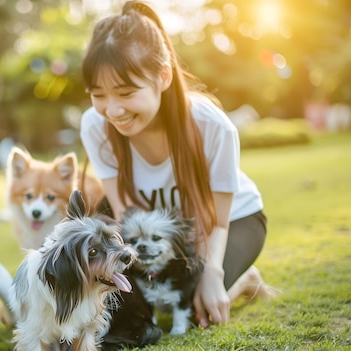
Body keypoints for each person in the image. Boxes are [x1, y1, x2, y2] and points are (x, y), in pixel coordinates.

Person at [79, 0, 279, 329]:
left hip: (230, 224)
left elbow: (216, 221)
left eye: (126, 92)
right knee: (134, 306)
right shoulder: (95, 126)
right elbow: (125, 212)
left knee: (196, 307)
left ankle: (243, 279)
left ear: (163, 76)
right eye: (98, 94)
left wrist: (211, 272)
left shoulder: (212, 126)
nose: (113, 110)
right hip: (153, 234)